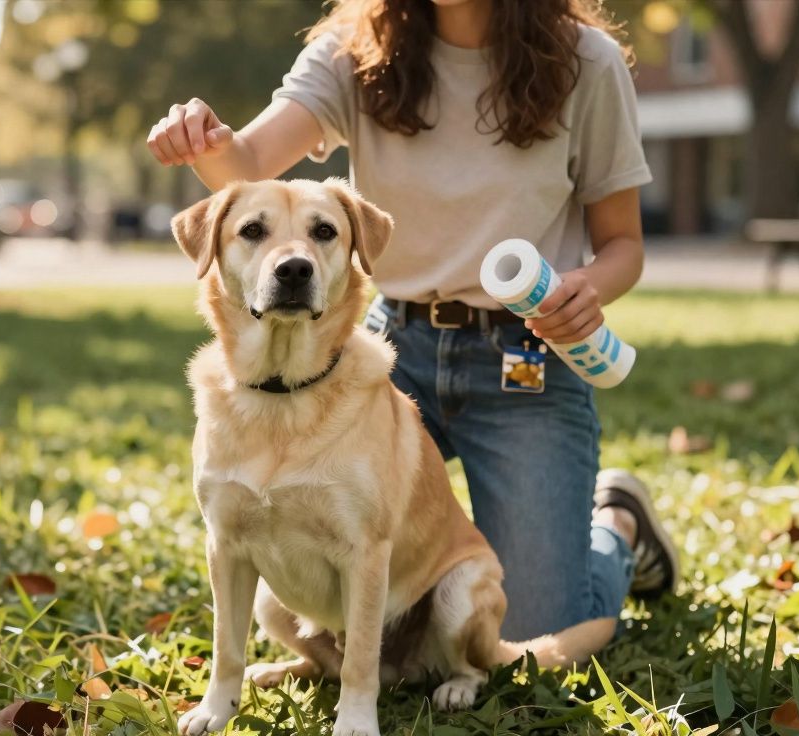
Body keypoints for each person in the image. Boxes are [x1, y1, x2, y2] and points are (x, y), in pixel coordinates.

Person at [146, 0, 677, 642]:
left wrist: (586, 288)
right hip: (394, 348)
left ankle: (617, 527)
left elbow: (624, 244)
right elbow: (250, 159)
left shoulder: (585, 63)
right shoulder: (354, 51)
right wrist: (205, 140)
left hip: (524, 362)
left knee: (538, 628)